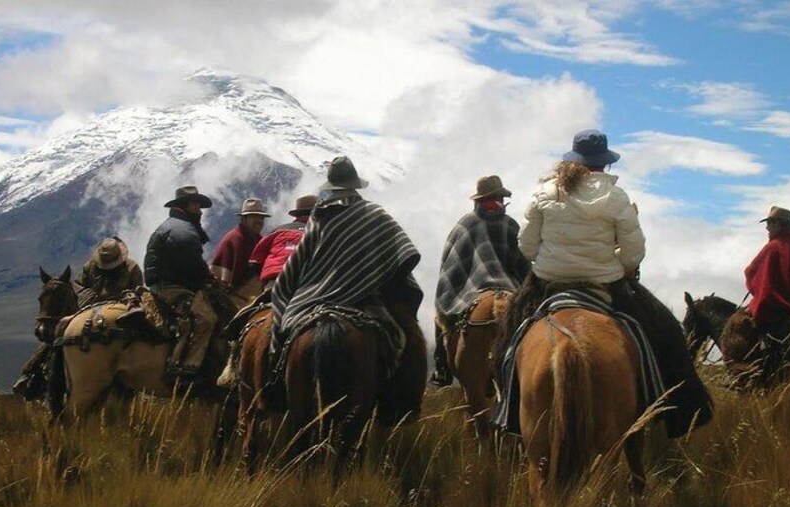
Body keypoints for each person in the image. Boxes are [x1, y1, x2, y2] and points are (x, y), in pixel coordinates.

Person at [516, 129, 713, 438]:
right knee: (666, 332)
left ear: (572, 159)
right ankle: (676, 411)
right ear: (604, 164)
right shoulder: (617, 197)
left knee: (506, 339)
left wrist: (553, 259)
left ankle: (504, 408)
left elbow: (526, 247)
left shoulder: (545, 192)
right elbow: (634, 253)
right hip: (604, 284)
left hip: (549, 283)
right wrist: (612, 265)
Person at [271, 156, 427, 422]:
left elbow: (293, 270)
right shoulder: (376, 215)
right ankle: (401, 406)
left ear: (331, 186)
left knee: (278, 335)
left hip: (312, 300)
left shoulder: (319, 218)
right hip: (366, 301)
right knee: (410, 340)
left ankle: (272, 385)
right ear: (355, 186)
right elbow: (404, 256)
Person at [431, 175, 529, 386]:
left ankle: (442, 369)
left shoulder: (465, 224)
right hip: (510, 286)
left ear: (477, 200)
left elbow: (449, 267)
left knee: (440, 309)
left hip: (470, 290)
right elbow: (523, 264)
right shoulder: (510, 224)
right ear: (501, 198)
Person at [144, 185, 218, 387]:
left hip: (164, 282)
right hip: (171, 286)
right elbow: (191, 263)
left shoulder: (175, 226)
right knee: (204, 319)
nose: (200, 211)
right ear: (187, 206)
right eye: (196, 205)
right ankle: (184, 369)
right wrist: (207, 277)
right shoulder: (183, 231)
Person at [744, 206, 790, 333]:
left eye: (770, 223)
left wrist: (756, 285)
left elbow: (750, 272)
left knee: (740, 327)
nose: (767, 228)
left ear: (779, 224)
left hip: (780, 310)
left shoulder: (774, 247)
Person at [210, 198, 271, 308]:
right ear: (244, 219)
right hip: (233, 298)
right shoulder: (235, 239)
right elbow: (226, 280)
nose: (259, 221)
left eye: (261, 218)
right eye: (254, 217)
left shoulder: (258, 240)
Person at [249, 195, 316, 289]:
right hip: (304, 281)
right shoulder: (319, 233)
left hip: (273, 279)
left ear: (297, 215)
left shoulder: (278, 230)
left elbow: (255, 260)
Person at [75, 237, 144, 307]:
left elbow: (139, 291)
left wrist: (130, 296)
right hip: (92, 307)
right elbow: (78, 286)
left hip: (123, 307)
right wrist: (86, 295)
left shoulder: (132, 268)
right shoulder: (90, 267)